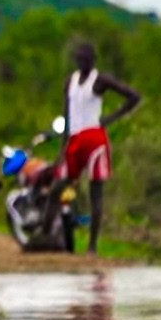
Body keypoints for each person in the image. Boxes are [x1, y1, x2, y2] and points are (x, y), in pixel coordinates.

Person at [45, 40, 142, 256]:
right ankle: (45, 236)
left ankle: (92, 246)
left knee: (95, 191)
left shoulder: (100, 80)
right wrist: (62, 150)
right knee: (57, 187)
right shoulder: (70, 81)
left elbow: (134, 96)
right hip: (74, 138)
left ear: (92, 60)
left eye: (86, 59)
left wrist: (110, 118)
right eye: (79, 58)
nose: (82, 62)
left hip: (94, 137)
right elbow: (67, 115)